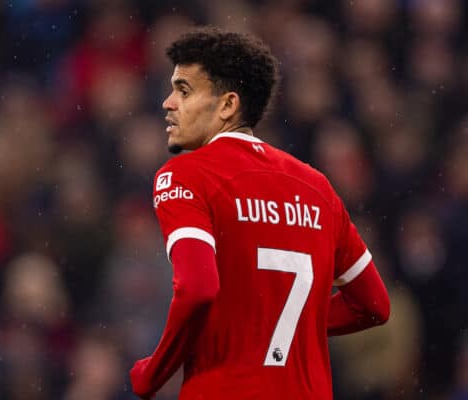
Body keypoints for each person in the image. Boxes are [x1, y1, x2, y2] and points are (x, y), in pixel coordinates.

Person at [129, 27, 390, 400]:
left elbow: (197, 288)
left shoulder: (185, 174)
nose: (168, 102)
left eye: (183, 90)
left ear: (227, 105)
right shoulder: (317, 188)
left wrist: (153, 373)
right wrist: (277, 327)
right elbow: (374, 306)